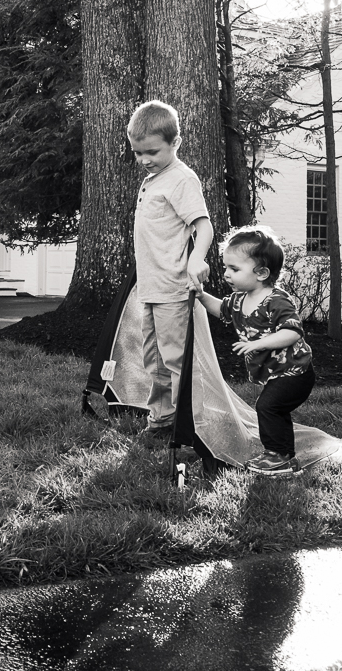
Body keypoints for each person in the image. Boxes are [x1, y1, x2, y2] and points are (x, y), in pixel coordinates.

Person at [196, 224, 315, 476]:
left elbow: (292, 332)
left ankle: (278, 457)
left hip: (295, 372)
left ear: (261, 273)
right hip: (277, 372)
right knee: (274, 409)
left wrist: (257, 343)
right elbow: (221, 310)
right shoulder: (239, 299)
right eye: (227, 267)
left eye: (234, 269)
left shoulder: (276, 301)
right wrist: (201, 296)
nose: (227, 274)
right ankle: (283, 455)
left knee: (268, 407)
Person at [126, 100, 214, 440]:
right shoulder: (154, 178)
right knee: (155, 360)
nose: (145, 160)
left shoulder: (180, 179)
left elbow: (203, 225)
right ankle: (162, 418)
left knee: (177, 360)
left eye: (152, 152)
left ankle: (190, 427)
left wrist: (197, 257)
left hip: (173, 287)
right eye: (137, 153)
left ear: (175, 143)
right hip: (151, 287)